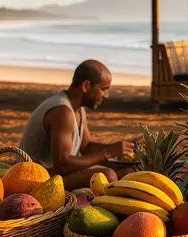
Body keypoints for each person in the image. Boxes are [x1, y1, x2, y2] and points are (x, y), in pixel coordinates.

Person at [18, 60, 134, 191]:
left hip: (55, 174)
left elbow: (87, 148)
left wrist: (123, 148)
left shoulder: (77, 109)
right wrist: (108, 152)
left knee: (127, 171)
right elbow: (63, 165)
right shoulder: (62, 111)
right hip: (34, 178)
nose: (105, 96)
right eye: (103, 89)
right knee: (108, 176)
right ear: (86, 86)